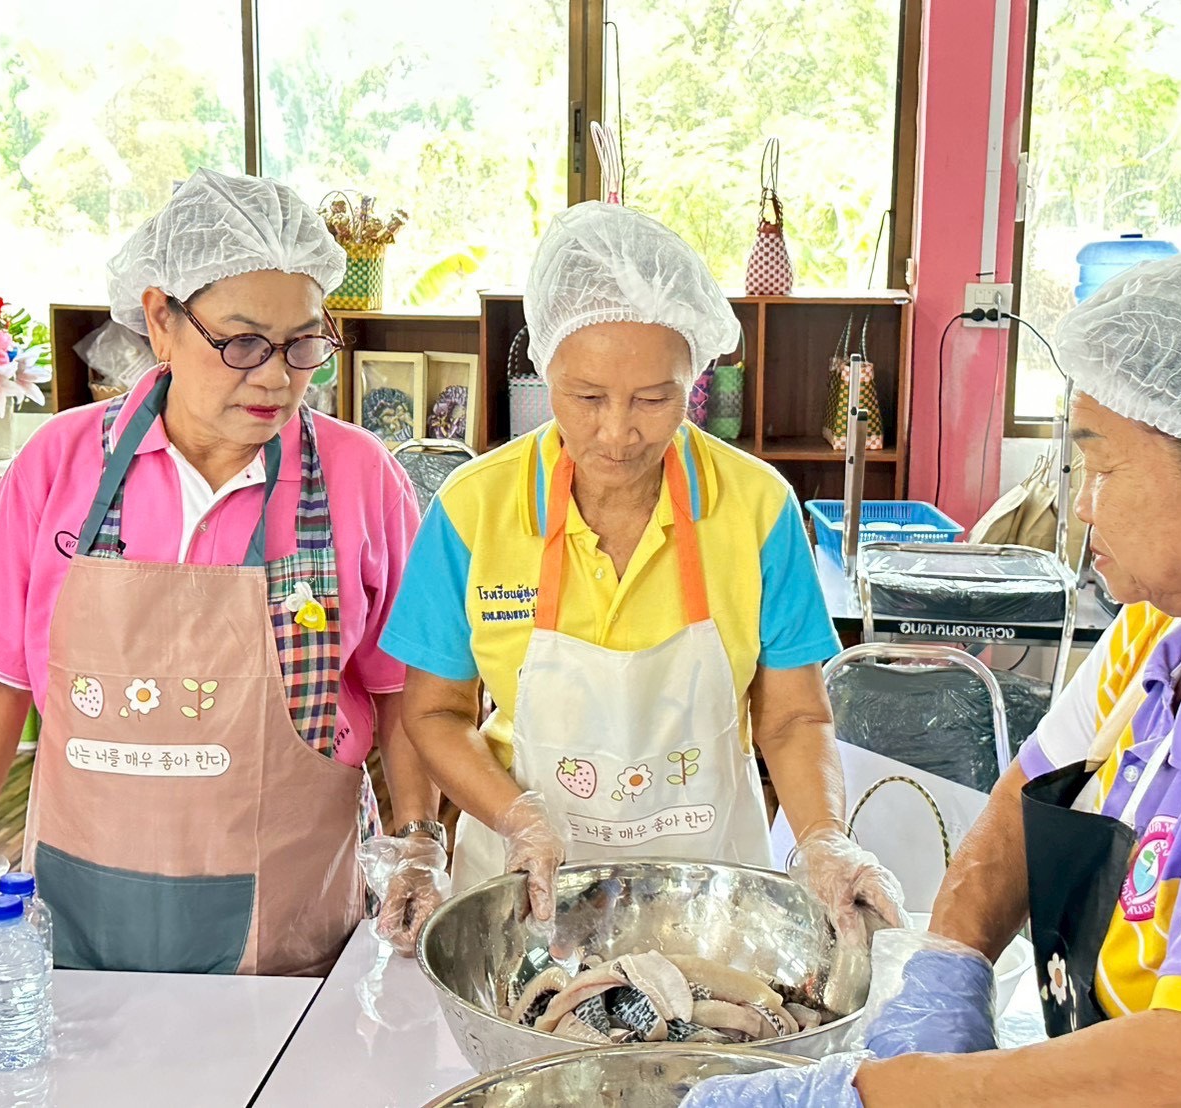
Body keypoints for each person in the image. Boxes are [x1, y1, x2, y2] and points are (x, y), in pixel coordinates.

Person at [682, 232, 1181, 1107]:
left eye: (1102, 468)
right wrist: (949, 962)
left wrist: (888, 1094)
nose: (1079, 509)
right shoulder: (1161, 625)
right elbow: (1026, 791)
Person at [0, 168, 445, 978]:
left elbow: (403, 691)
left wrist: (417, 842)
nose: (276, 376)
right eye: (243, 343)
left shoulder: (359, 479)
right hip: (79, 900)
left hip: (291, 914)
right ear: (160, 320)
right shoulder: (61, 462)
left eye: (303, 344)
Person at [379, 200, 904, 940]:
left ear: (695, 378)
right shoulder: (475, 507)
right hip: (525, 889)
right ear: (544, 371)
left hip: (709, 892)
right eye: (586, 397)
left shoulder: (756, 506)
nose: (618, 432)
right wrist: (517, 816)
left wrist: (823, 839)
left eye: (656, 399)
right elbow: (435, 712)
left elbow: (792, 717)